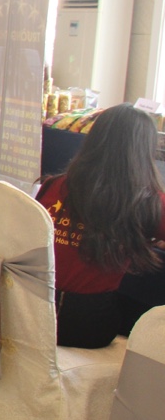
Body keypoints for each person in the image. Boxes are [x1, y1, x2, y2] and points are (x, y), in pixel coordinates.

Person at [36, 103, 165, 348]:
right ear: (144, 151)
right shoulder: (148, 201)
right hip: (87, 325)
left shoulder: (54, 186)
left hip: (30, 315)